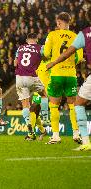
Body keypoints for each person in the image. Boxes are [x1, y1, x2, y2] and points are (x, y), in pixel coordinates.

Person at [46, 10, 91, 151]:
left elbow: (46, 53)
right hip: (71, 74)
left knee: (54, 105)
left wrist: (51, 61)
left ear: (59, 22)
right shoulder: (74, 35)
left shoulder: (53, 34)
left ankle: (55, 136)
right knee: (73, 105)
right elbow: (79, 57)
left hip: (57, 74)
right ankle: (76, 133)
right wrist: (72, 64)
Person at [14, 33, 48, 141]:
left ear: (27, 40)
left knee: (27, 106)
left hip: (20, 78)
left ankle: (31, 131)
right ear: (37, 39)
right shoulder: (41, 49)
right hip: (34, 80)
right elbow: (47, 55)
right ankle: (44, 122)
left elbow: (15, 63)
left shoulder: (20, 48)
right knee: (37, 104)